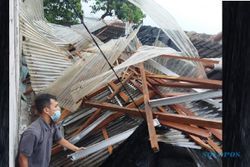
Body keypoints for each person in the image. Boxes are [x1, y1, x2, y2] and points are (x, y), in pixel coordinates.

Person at [18, 94, 84, 167]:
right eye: (56, 106)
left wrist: (76, 149)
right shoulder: (33, 132)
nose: (59, 109)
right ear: (46, 110)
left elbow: (60, 139)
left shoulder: (52, 125)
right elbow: (22, 158)